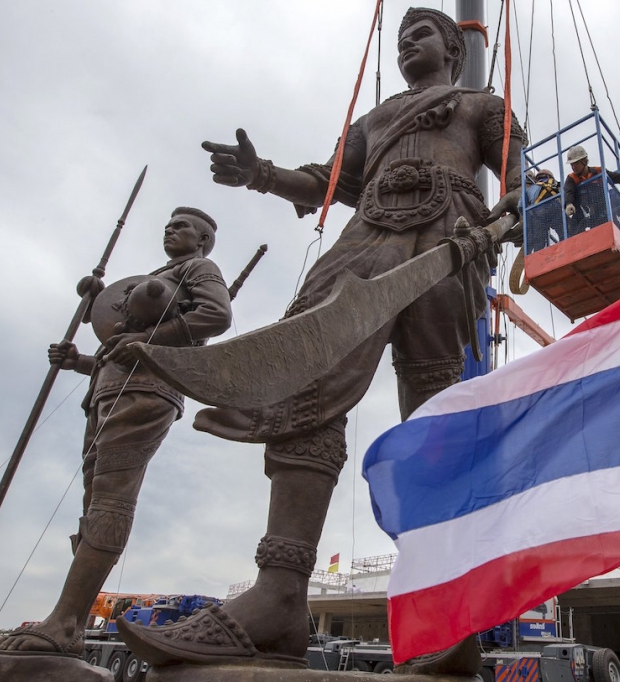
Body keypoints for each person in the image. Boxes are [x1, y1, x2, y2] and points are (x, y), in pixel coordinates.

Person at [117, 7, 525, 674]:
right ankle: (278, 596)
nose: (406, 44)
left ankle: (450, 620)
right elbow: (327, 183)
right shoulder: (373, 119)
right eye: (399, 37)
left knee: (432, 406)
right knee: (303, 374)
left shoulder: (481, 104)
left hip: (448, 238)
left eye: (421, 33)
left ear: (453, 45)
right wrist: (261, 173)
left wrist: (514, 204)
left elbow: (517, 179)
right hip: (363, 238)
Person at [0, 208, 232, 656]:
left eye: (181, 227)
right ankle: (73, 623)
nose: (170, 230)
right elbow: (118, 349)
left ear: (201, 239)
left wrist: (156, 340)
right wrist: (79, 361)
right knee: (93, 503)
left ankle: (63, 622)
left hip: (145, 391)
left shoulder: (199, 268)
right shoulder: (156, 272)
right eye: (168, 224)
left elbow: (217, 316)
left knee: (110, 500)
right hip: (109, 391)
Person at [563, 144, 620, 235]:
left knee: (612, 230)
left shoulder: (598, 171)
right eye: (572, 164)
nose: (573, 167)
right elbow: (568, 191)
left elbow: (617, 177)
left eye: (576, 163)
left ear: (584, 161)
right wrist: (568, 204)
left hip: (605, 210)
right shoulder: (572, 178)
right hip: (590, 214)